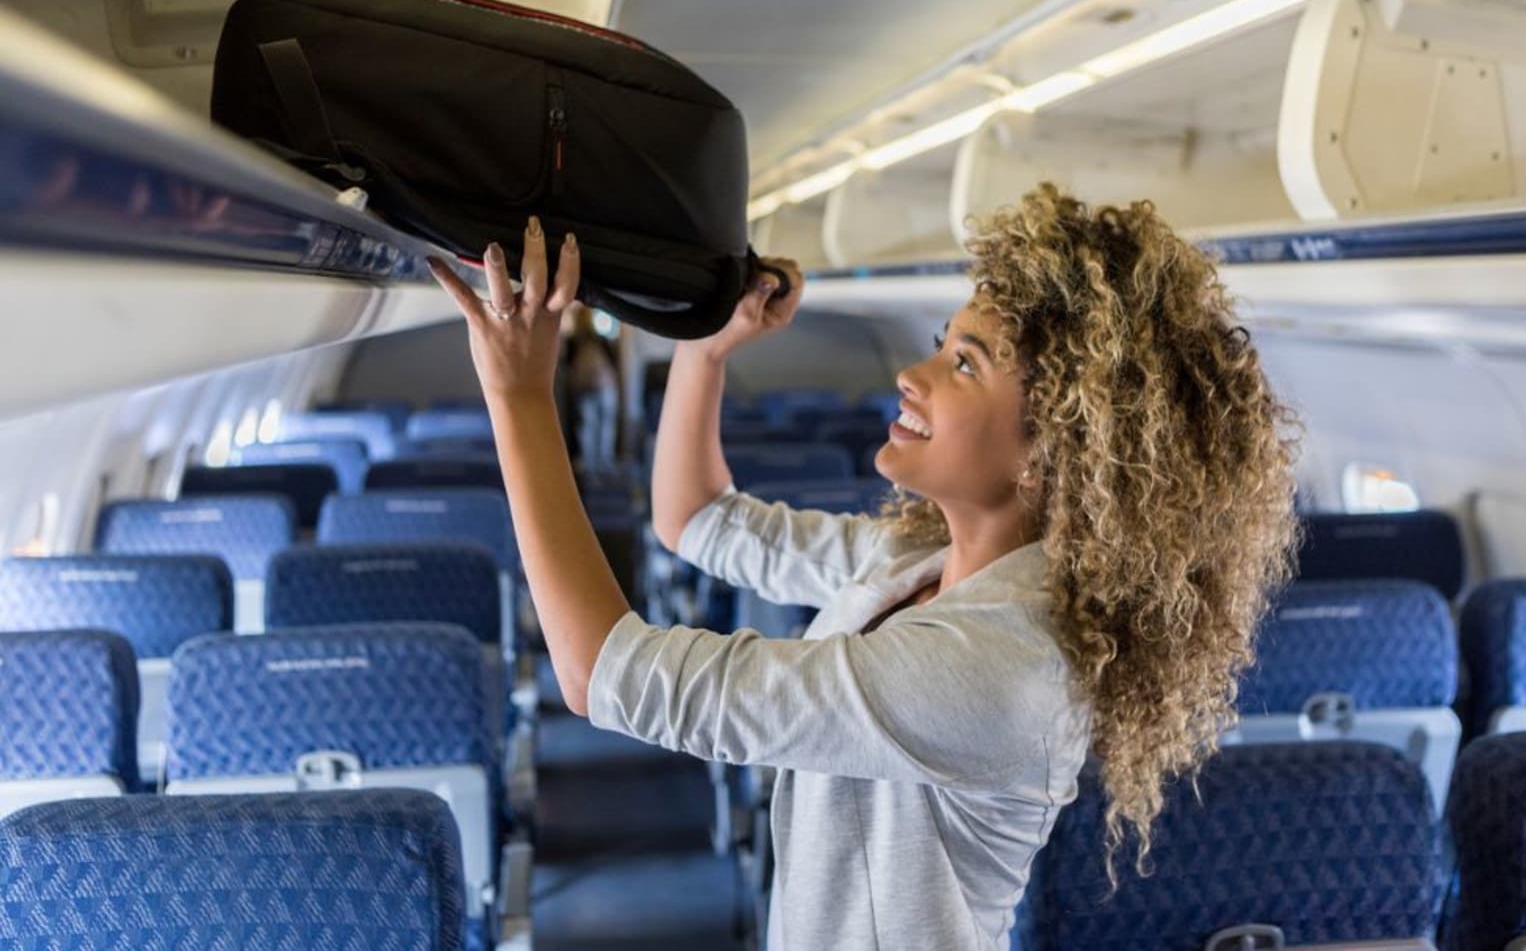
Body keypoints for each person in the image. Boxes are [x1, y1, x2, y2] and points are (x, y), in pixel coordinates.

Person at [428, 183, 1300, 950]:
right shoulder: (920, 558)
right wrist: (706, 347)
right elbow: (695, 518)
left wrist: (518, 395)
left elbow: (604, 673)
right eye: (940, 342)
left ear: (1050, 450)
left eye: (966, 363)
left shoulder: (999, 670)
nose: (912, 374)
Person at [563, 303, 621, 469]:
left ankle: (592, 464)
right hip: (605, 386)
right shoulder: (601, 339)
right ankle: (604, 463)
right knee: (604, 426)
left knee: (588, 426)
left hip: (586, 387)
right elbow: (613, 362)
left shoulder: (573, 342)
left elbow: (569, 367)